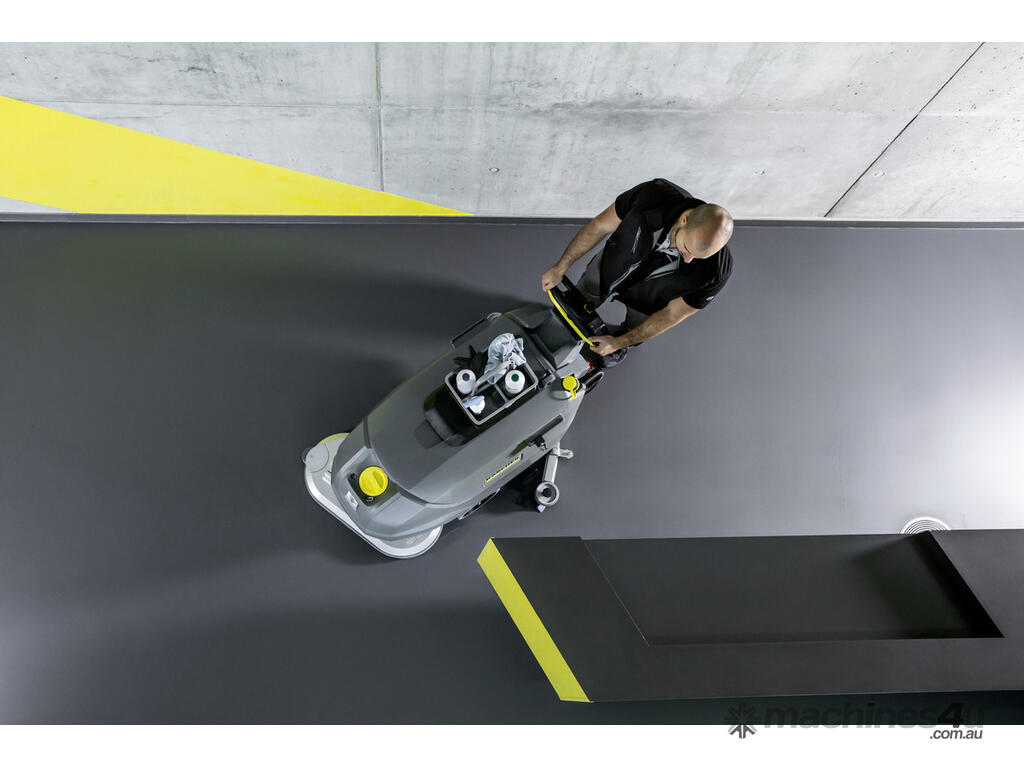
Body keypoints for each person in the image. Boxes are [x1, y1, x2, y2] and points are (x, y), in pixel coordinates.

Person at [541, 178, 734, 366]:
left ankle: (623, 339)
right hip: (610, 267)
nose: (689, 260)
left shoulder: (717, 270)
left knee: (634, 330)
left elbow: (671, 315)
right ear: (684, 220)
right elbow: (600, 226)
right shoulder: (651, 196)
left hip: (650, 302)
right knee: (578, 302)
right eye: (686, 248)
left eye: (699, 257)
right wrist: (561, 266)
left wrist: (619, 342)